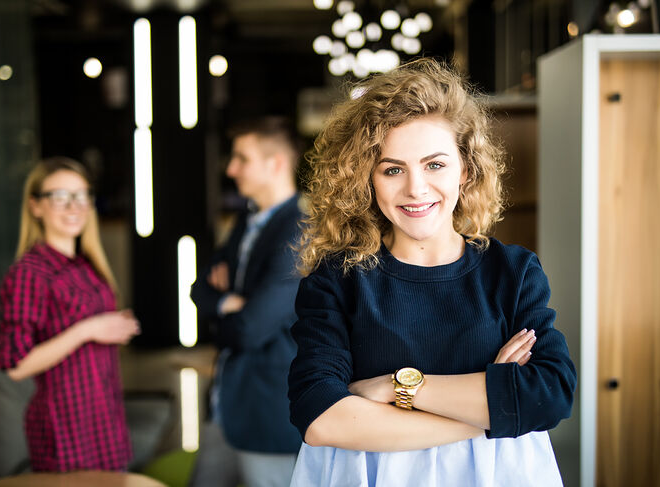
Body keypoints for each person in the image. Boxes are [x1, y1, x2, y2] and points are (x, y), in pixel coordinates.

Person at [288, 58, 577, 487]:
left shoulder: (512, 272)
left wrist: (399, 387)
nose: (416, 188)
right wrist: (492, 410)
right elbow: (320, 417)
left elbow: (548, 394)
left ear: (466, 170)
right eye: (392, 169)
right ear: (366, 179)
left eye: (435, 164)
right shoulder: (338, 279)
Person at [0, 157, 139, 472]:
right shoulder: (30, 273)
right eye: (60, 196)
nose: (73, 206)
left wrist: (114, 325)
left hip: (106, 423)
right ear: (36, 206)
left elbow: (93, 330)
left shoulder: (88, 265)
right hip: (65, 431)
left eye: (81, 195)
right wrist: (88, 329)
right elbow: (16, 366)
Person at [189, 116, 304, 487]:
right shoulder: (247, 219)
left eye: (242, 158)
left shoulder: (301, 228)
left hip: (266, 409)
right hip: (225, 402)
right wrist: (228, 303)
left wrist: (229, 310)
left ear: (276, 164)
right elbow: (198, 290)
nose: (231, 168)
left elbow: (252, 327)